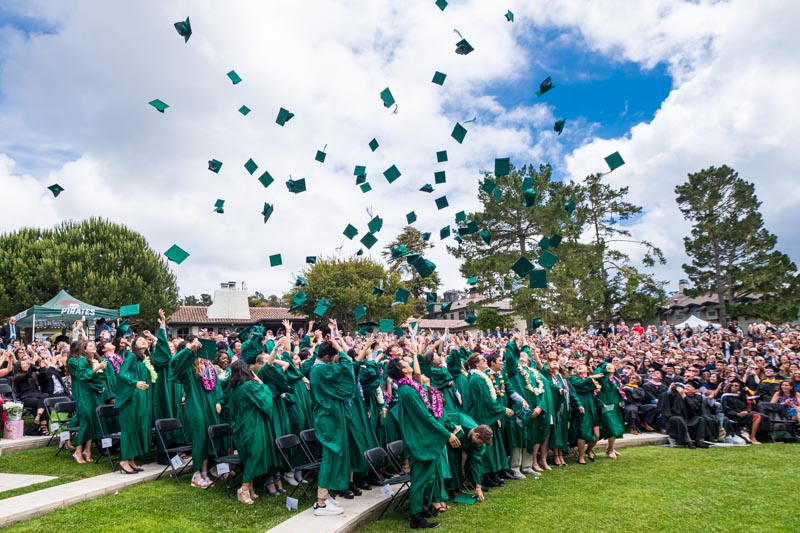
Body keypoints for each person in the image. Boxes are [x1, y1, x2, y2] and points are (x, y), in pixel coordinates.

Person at [388, 356, 459, 529]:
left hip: (421, 438)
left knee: (428, 478)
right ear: (403, 370)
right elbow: (426, 417)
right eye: (405, 362)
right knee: (420, 481)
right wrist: (447, 434)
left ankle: (423, 508)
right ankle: (416, 518)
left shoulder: (410, 386)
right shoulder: (407, 390)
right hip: (419, 440)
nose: (408, 363)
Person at [170, 335, 223, 488]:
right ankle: (195, 474)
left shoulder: (209, 369)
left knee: (206, 439)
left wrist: (217, 401)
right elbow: (174, 364)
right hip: (195, 407)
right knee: (199, 439)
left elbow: (215, 387)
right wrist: (189, 348)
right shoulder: (188, 371)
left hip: (208, 407)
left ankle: (205, 472)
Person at [309, 335, 351, 516]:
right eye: (334, 357)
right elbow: (347, 368)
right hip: (327, 418)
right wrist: (341, 349)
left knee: (333, 455)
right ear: (327, 358)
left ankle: (326, 495)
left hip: (327, 415)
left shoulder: (318, 368)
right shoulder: (322, 370)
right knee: (329, 455)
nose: (336, 360)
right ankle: (321, 502)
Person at [226, 359, 275, 505]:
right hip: (252, 425)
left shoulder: (233, 389)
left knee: (249, 458)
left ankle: (251, 487)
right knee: (255, 455)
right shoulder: (250, 386)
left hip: (240, 427)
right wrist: (261, 383)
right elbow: (266, 400)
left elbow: (232, 411)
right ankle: (244, 488)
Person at [116, 336, 153, 474]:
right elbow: (121, 374)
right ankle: (124, 460)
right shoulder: (131, 356)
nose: (143, 341)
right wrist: (134, 383)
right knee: (129, 429)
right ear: (134, 344)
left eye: (145, 340)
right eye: (140, 340)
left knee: (137, 428)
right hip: (131, 397)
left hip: (141, 397)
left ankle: (132, 460)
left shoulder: (144, 359)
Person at [67, 340, 106, 463]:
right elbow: (83, 376)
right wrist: (97, 369)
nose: (93, 346)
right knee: (84, 421)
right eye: (90, 346)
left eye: (94, 345)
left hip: (94, 393)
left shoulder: (94, 360)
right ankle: (77, 451)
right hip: (84, 394)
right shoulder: (82, 360)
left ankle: (87, 450)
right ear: (84, 349)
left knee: (92, 421)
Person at [569, 364, 603, 464]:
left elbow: (594, 394)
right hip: (582, 407)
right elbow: (580, 385)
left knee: (596, 435)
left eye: (582, 366)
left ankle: (588, 450)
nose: (579, 366)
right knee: (583, 433)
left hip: (592, 408)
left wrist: (600, 403)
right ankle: (580, 456)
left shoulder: (592, 381)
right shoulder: (573, 379)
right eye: (578, 366)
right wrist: (591, 377)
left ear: (587, 370)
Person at [595, 363, 625, 458]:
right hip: (606, 405)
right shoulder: (603, 379)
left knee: (616, 426)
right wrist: (604, 366)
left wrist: (622, 402)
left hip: (615, 406)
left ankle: (611, 448)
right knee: (612, 426)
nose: (609, 366)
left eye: (611, 365)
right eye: (607, 366)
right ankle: (610, 450)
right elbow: (599, 370)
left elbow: (620, 393)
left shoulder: (617, 380)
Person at [722, 380, 762, 444]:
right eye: (732, 385)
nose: (733, 387)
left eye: (736, 386)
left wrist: (746, 411)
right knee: (756, 416)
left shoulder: (741, 397)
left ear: (740, 388)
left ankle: (751, 435)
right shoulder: (726, 397)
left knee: (760, 416)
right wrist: (737, 414)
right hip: (732, 416)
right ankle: (751, 436)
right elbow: (726, 409)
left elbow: (746, 407)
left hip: (743, 415)